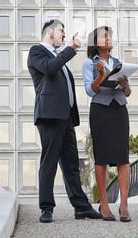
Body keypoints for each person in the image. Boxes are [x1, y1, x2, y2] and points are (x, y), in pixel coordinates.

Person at [27, 19, 101, 223]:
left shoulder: (58, 57)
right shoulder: (37, 51)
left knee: (71, 164)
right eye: (61, 30)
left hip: (66, 117)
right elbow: (49, 68)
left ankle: (81, 207)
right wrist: (70, 48)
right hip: (50, 115)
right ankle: (46, 208)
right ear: (49, 32)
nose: (63, 34)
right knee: (49, 161)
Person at [82, 26, 132, 222]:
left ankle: (124, 205)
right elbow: (90, 90)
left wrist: (126, 85)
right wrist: (102, 76)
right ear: (95, 42)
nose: (109, 38)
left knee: (123, 157)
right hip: (100, 111)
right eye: (105, 36)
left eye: (109, 35)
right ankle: (103, 204)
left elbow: (127, 93)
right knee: (101, 157)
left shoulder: (119, 63)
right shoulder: (89, 63)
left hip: (119, 109)